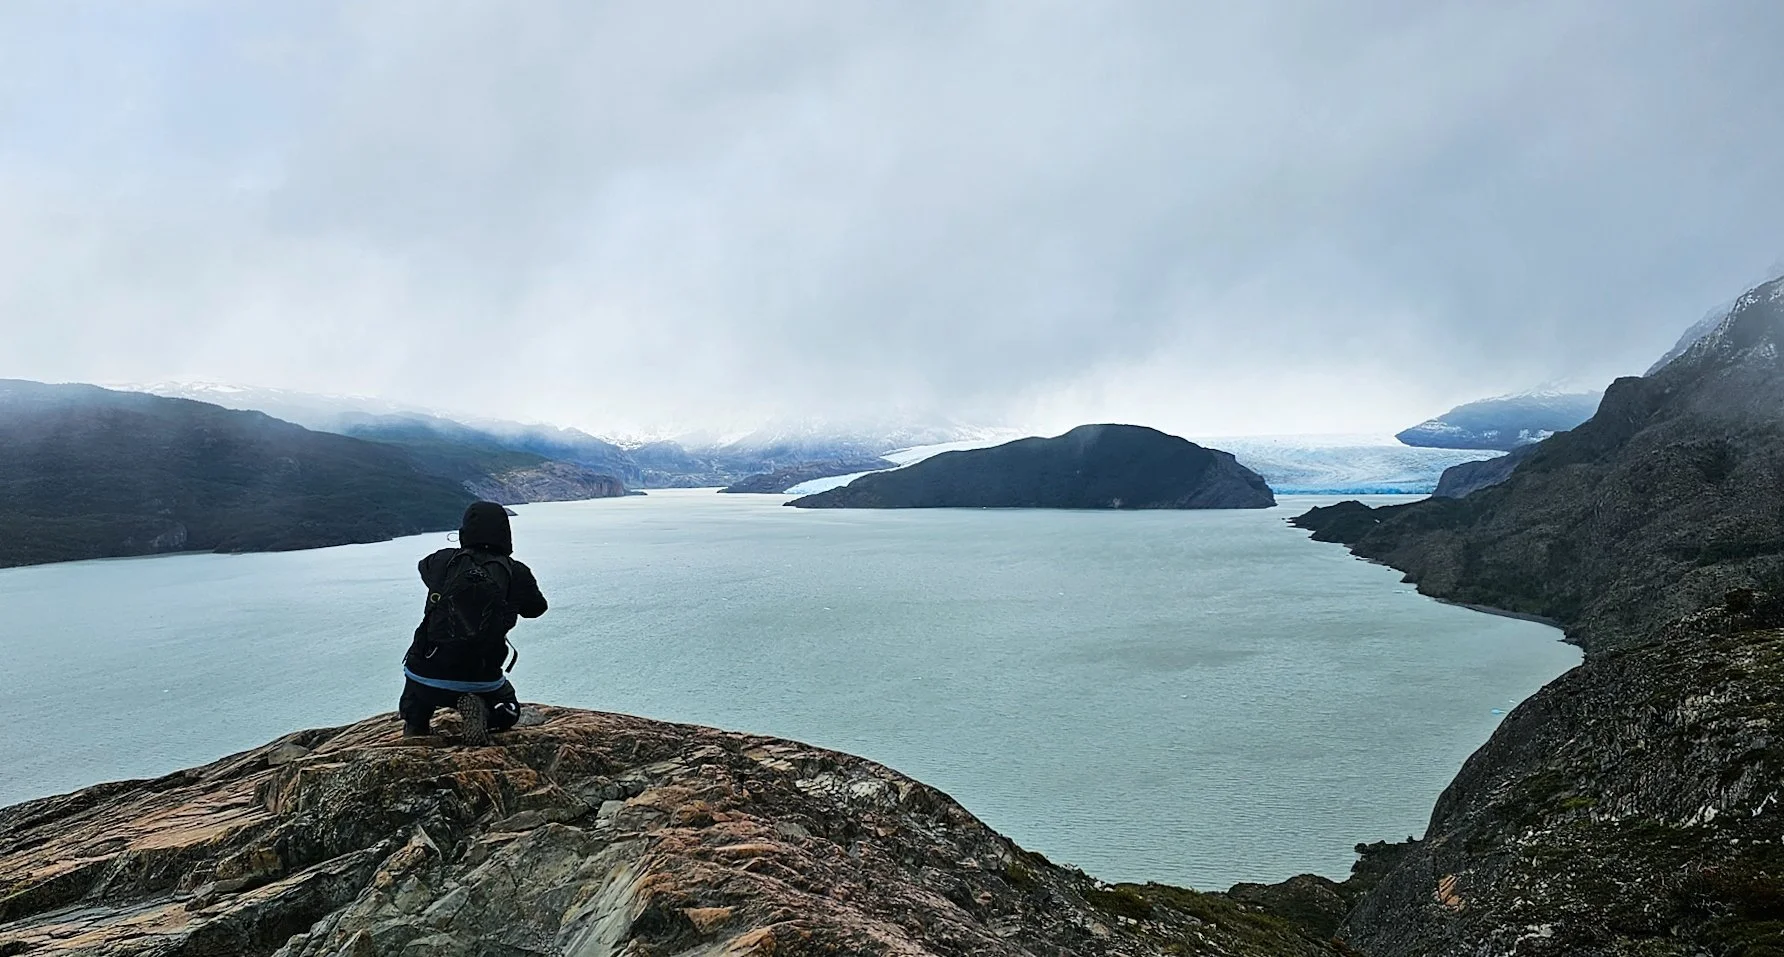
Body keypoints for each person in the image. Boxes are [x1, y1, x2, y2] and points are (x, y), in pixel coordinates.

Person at [401, 501, 548, 743]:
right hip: (481, 675)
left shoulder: (441, 561)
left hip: (427, 672)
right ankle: (486, 712)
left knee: (417, 693)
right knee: (508, 711)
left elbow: (424, 570)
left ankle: (416, 723)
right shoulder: (516, 572)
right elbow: (536, 609)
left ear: (464, 531)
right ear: (506, 533)